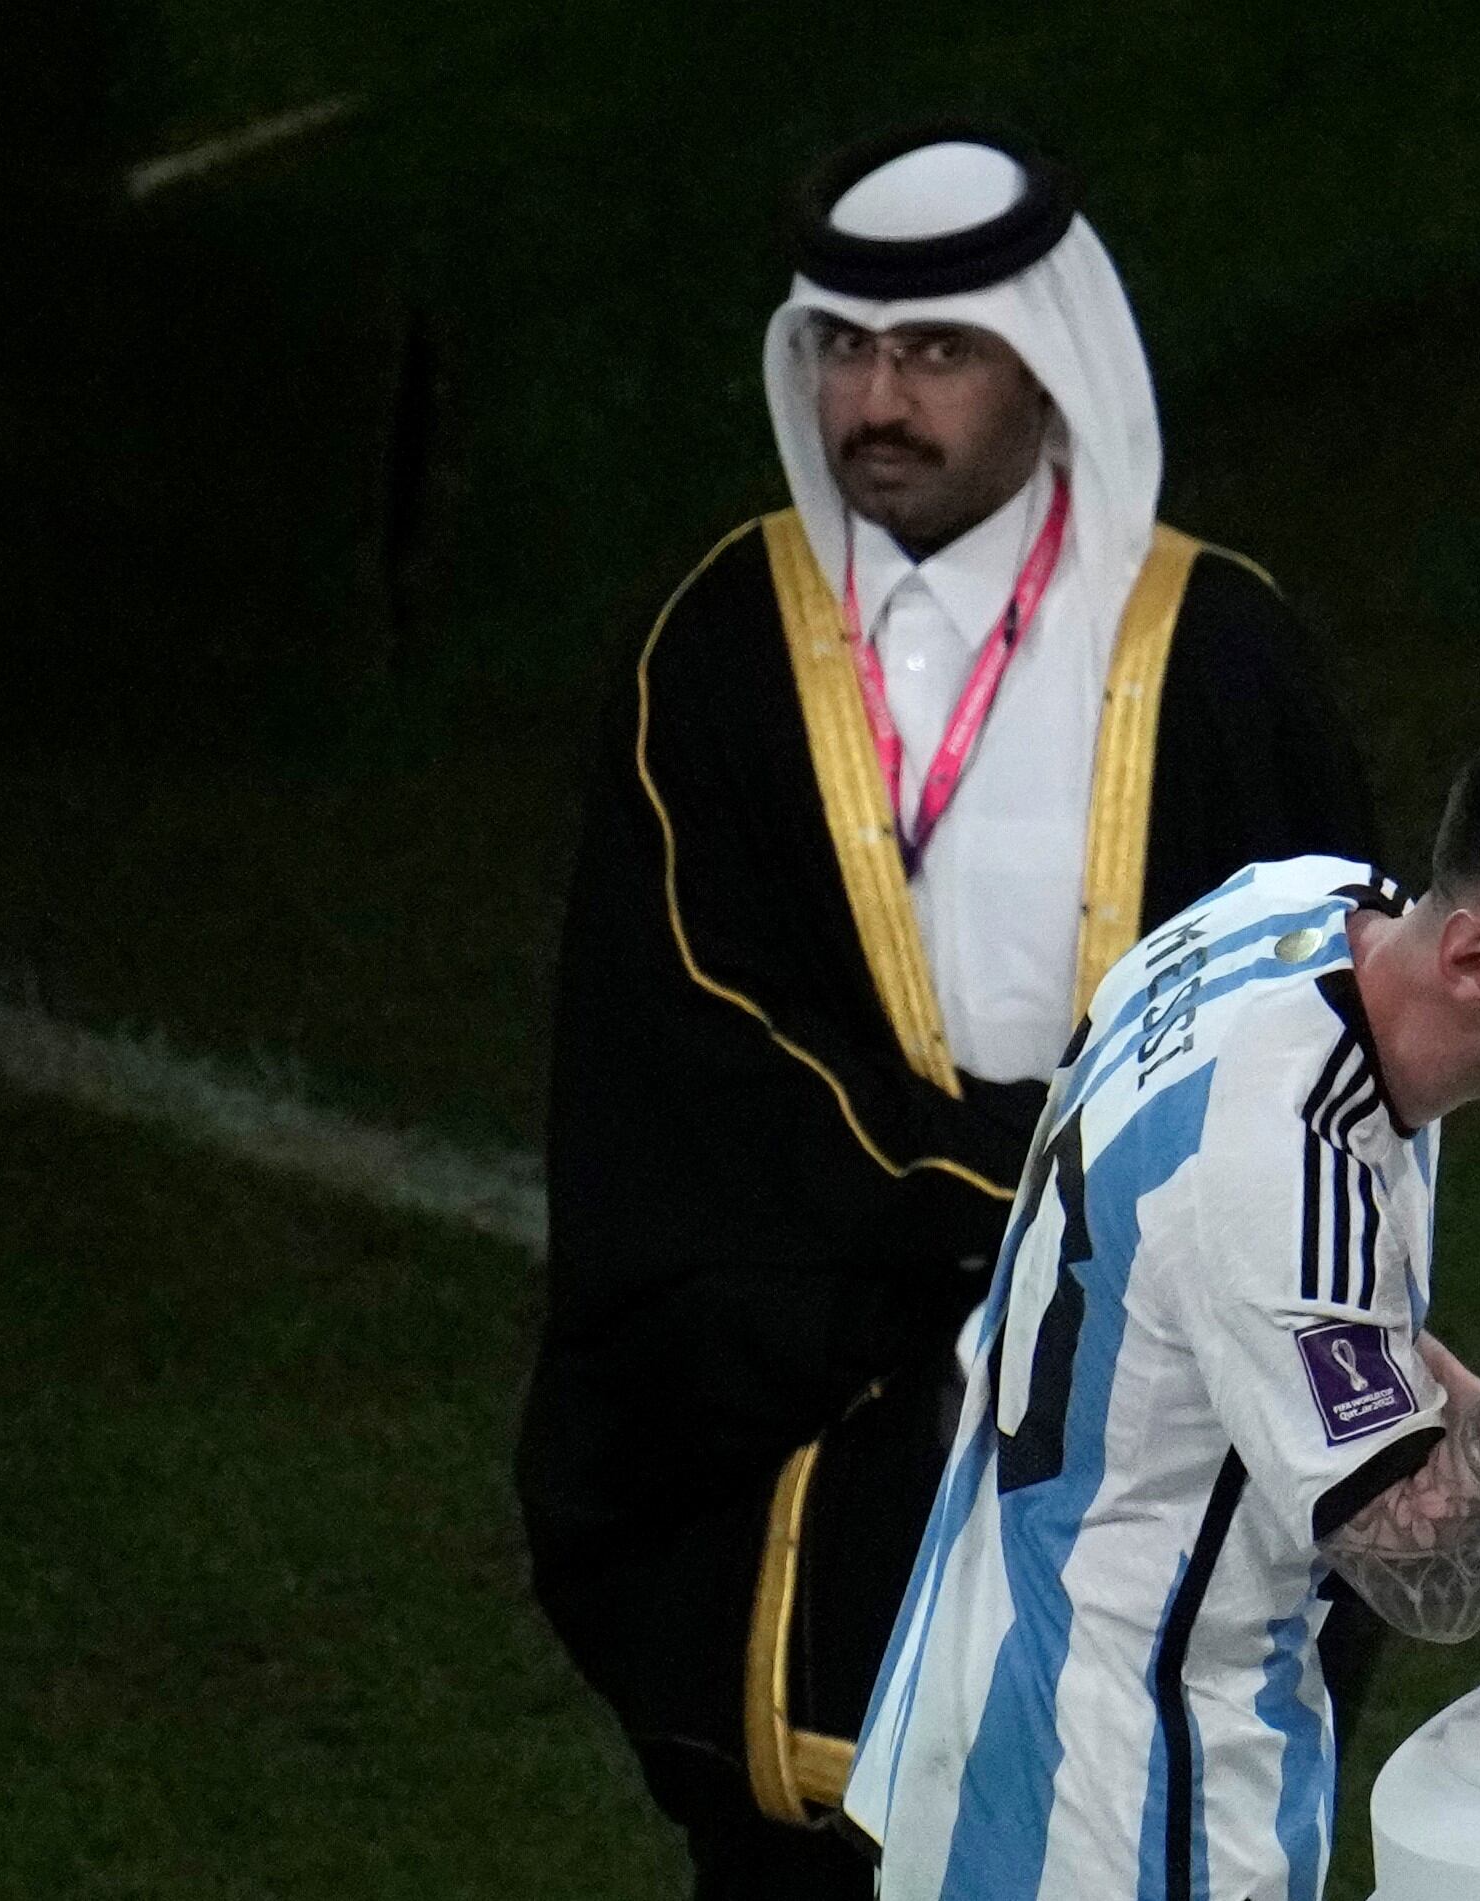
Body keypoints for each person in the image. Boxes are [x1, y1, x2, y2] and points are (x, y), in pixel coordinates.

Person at [514, 127, 1378, 1897]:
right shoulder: (720, 645)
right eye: (842, 348)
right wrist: (1001, 1213)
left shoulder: (1217, 655)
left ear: (1045, 366)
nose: (876, 401)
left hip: (1141, 1386)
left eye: (934, 353)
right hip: (810, 1382)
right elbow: (686, 1031)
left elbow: (1319, 1041)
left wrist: (1101, 1247)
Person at [846, 711, 1480, 1901]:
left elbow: (1208, 1286)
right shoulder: (1274, 1155)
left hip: (993, 1671)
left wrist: (1429, 1384)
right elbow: (1437, 1577)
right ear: (1472, 961)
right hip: (1112, 1806)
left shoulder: (1293, 907)